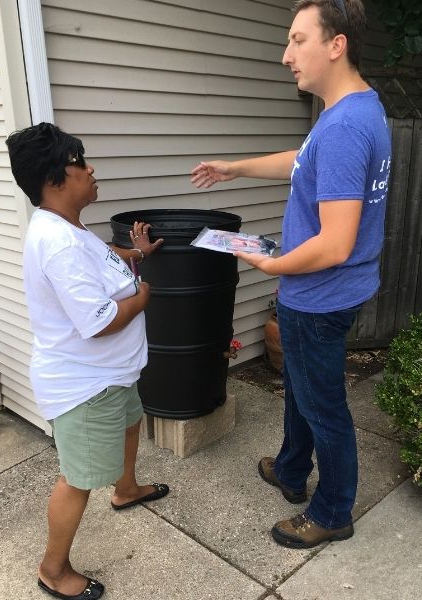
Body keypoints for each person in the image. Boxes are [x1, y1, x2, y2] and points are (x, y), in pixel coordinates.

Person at [191, 0, 391, 549]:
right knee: (303, 390)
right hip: (326, 291)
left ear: (336, 44)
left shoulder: (347, 124)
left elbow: (334, 243)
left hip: (319, 294)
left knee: (323, 405)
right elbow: (303, 159)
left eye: (298, 40)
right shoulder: (353, 109)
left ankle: (331, 511)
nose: (286, 56)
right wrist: (234, 168)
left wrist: (270, 264)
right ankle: (291, 466)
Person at [6, 122, 169, 599]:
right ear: (56, 180)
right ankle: (53, 570)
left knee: (131, 426)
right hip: (86, 385)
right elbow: (99, 320)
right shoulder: (57, 244)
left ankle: (127, 489)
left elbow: (100, 255)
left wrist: (135, 253)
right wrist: (142, 296)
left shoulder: (69, 228)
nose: (90, 168)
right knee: (77, 480)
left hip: (114, 374)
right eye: (79, 162)